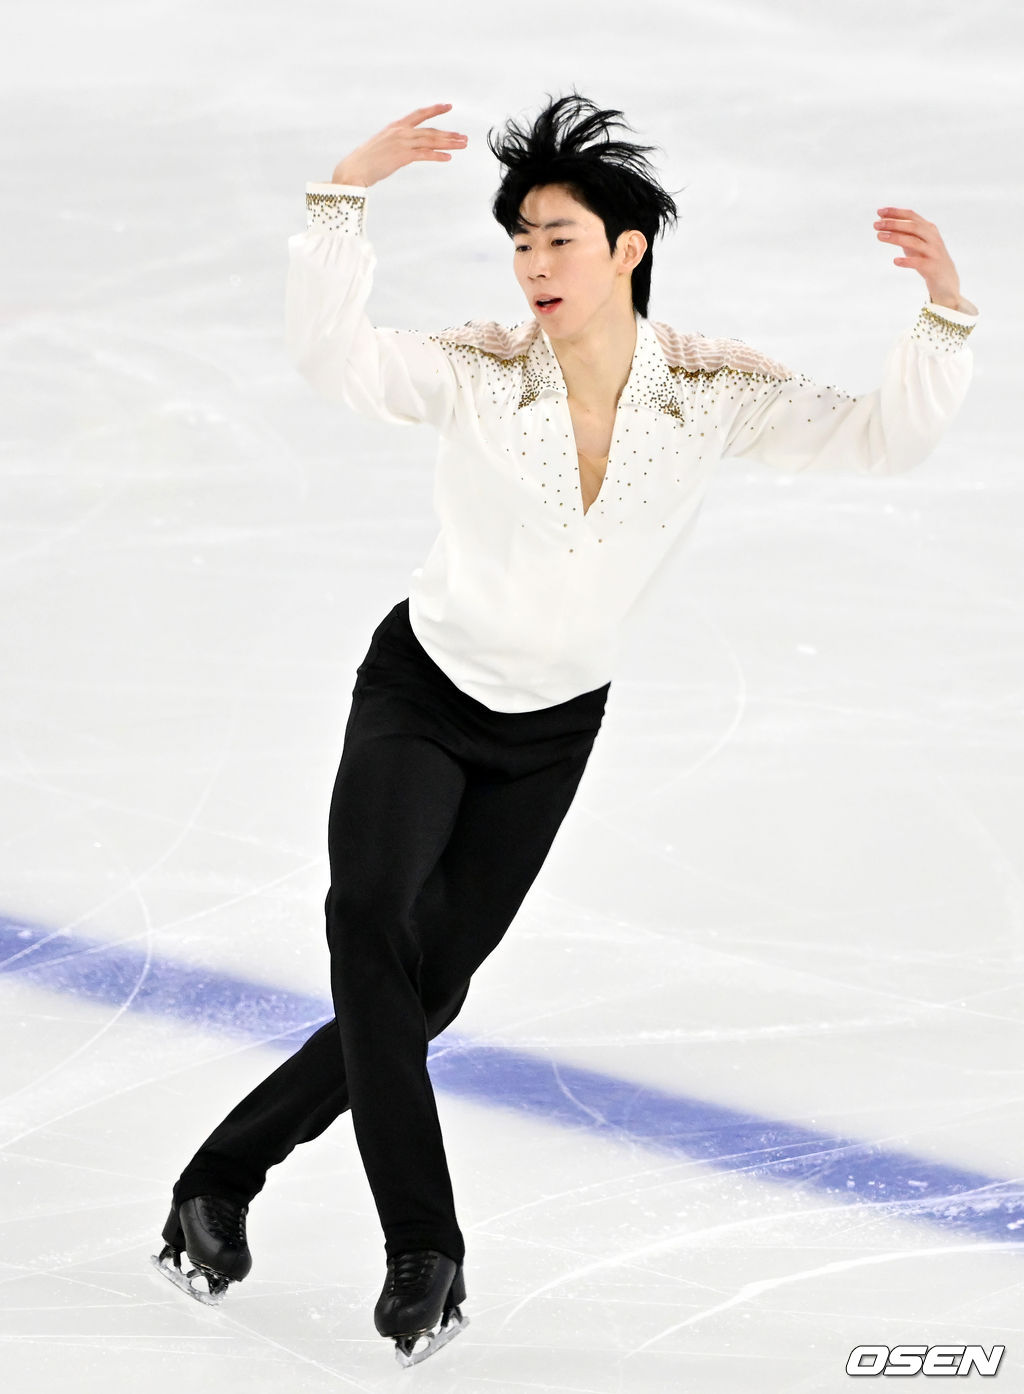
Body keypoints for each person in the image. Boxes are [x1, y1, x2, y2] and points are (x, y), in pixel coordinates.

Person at [151, 93, 978, 1364]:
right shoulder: (481, 366)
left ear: (626, 249)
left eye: (559, 239)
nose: (534, 265)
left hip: (547, 730)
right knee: (367, 920)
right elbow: (339, 360)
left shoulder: (708, 389)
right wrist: (341, 200)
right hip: (423, 692)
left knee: (425, 991)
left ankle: (219, 1173)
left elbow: (878, 438)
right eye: (520, 242)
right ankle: (424, 1247)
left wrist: (942, 315)